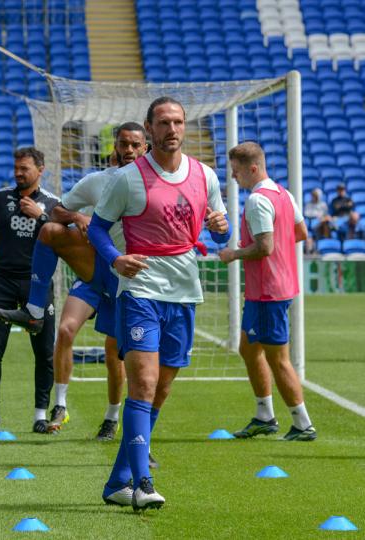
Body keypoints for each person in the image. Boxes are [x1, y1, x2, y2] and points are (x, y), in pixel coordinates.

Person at [88, 97, 230, 510]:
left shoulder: (205, 176)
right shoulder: (127, 179)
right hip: (140, 292)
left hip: (184, 292)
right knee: (144, 384)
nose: (172, 128)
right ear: (149, 129)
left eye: (178, 122)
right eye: (164, 122)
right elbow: (97, 229)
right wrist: (116, 259)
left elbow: (219, 234)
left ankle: (118, 482)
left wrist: (221, 228)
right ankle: (143, 482)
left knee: (161, 390)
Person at [0, 123, 146, 442]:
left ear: (145, 148)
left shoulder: (151, 185)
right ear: (114, 147)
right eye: (123, 144)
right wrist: (77, 218)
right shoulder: (97, 181)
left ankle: (111, 418)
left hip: (126, 277)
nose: (128, 150)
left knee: (114, 352)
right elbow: (58, 211)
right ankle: (59, 402)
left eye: (135, 145)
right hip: (94, 269)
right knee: (63, 329)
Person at [218, 142, 316, 442]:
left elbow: (265, 247)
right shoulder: (284, 194)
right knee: (248, 348)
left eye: (236, 172)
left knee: (278, 359)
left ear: (252, 169)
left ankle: (302, 424)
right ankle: (264, 415)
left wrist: (233, 254)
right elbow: (300, 233)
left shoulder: (257, 201)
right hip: (278, 286)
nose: (234, 177)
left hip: (268, 291)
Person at [0, 146, 60, 436]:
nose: (19, 173)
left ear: (40, 169)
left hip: (38, 284)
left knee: (44, 352)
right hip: (2, 282)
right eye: (16, 168)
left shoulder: (54, 204)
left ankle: (40, 416)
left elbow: (65, 240)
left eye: (25, 169)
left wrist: (42, 216)